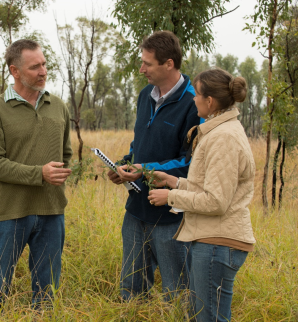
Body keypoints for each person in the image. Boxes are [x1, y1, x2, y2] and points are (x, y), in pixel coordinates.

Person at [148, 68, 256, 321]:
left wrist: (170, 198)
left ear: (209, 101)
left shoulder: (224, 138)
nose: (193, 99)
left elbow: (216, 202)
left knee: (209, 318)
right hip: (212, 241)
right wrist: (174, 182)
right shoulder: (220, 131)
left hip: (219, 243)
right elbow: (208, 188)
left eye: (196, 94)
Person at [0, 39, 73, 311]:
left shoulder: (58, 107)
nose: (43, 71)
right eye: (34, 67)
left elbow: (65, 154)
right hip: (10, 213)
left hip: (52, 211)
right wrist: (39, 174)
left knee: (47, 291)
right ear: (15, 71)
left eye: (44, 64)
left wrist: (61, 171)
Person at [108, 30, 201, 300]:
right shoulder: (144, 95)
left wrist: (144, 169)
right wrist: (125, 166)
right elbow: (139, 143)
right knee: (131, 291)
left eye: (147, 63)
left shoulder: (193, 102)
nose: (142, 68)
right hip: (136, 211)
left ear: (169, 63)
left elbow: (191, 162)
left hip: (171, 216)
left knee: (177, 295)